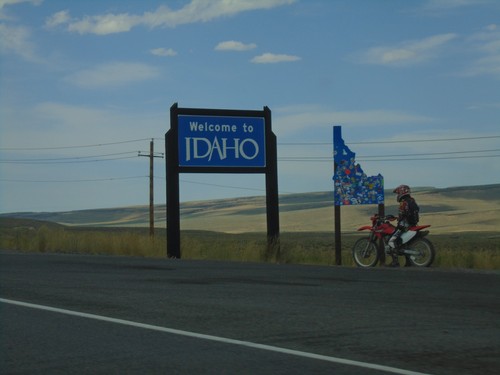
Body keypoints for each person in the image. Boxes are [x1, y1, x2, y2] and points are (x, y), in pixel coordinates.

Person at [387, 184, 420, 266]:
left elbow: (402, 214)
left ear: (401, 192)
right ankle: (408, 262)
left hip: (403, 226)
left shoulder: (403, 202)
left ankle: (395, 262)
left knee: (391, 241)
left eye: (398, 193)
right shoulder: (412, 200)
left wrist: (397, 218)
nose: (397, 195)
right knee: (405, 244)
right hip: (413, 224)